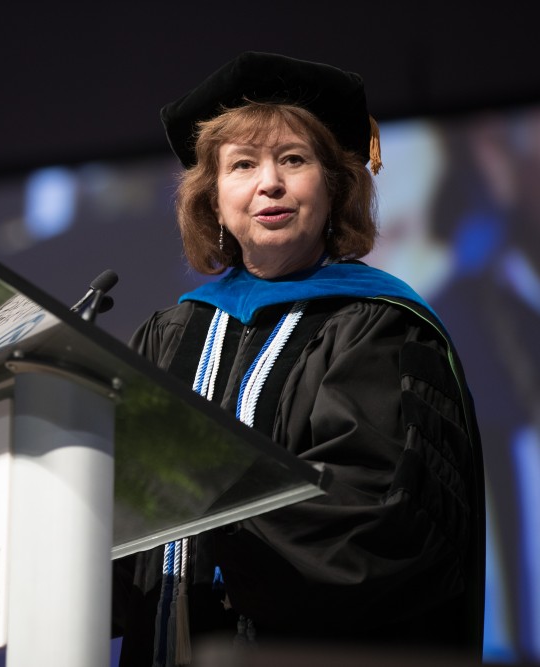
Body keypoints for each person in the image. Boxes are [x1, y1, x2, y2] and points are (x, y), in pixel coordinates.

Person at [112, 52, 484, 666]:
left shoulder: (378, 329)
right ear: (213, 198)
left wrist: (210, 500)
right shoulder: (168, 337)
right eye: (241, 165)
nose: (269, 184)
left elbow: (377, 522)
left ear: (334, 185)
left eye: (293, 159)